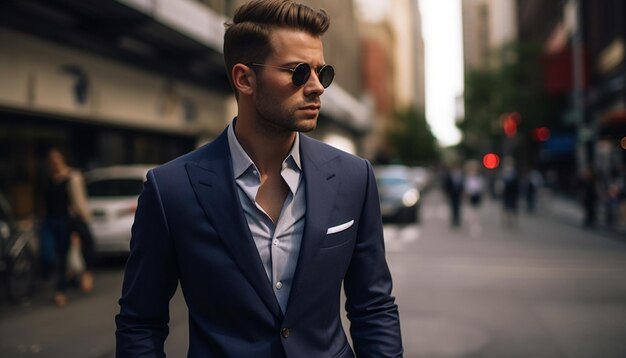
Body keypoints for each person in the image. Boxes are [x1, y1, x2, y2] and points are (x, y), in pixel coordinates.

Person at [115, 1, 403, 357]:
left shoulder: (353, 177)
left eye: (321, 72)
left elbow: (373, 307)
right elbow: (141, 321)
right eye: (299, 73)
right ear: (244, 78)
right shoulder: (171, 189)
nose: (317, 87)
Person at [39, 148, 94, 307]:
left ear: (63, 159)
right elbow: (42, 201)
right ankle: (61, 277)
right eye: (52, 159)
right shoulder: (47, 178)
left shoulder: (72, 176)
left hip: (65, 220)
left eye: (57, 158)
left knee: (64, 255)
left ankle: (60, 291)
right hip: (48, 221)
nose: (55, 162)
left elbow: (79, 199)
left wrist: (84, 216)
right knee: (48, 254)